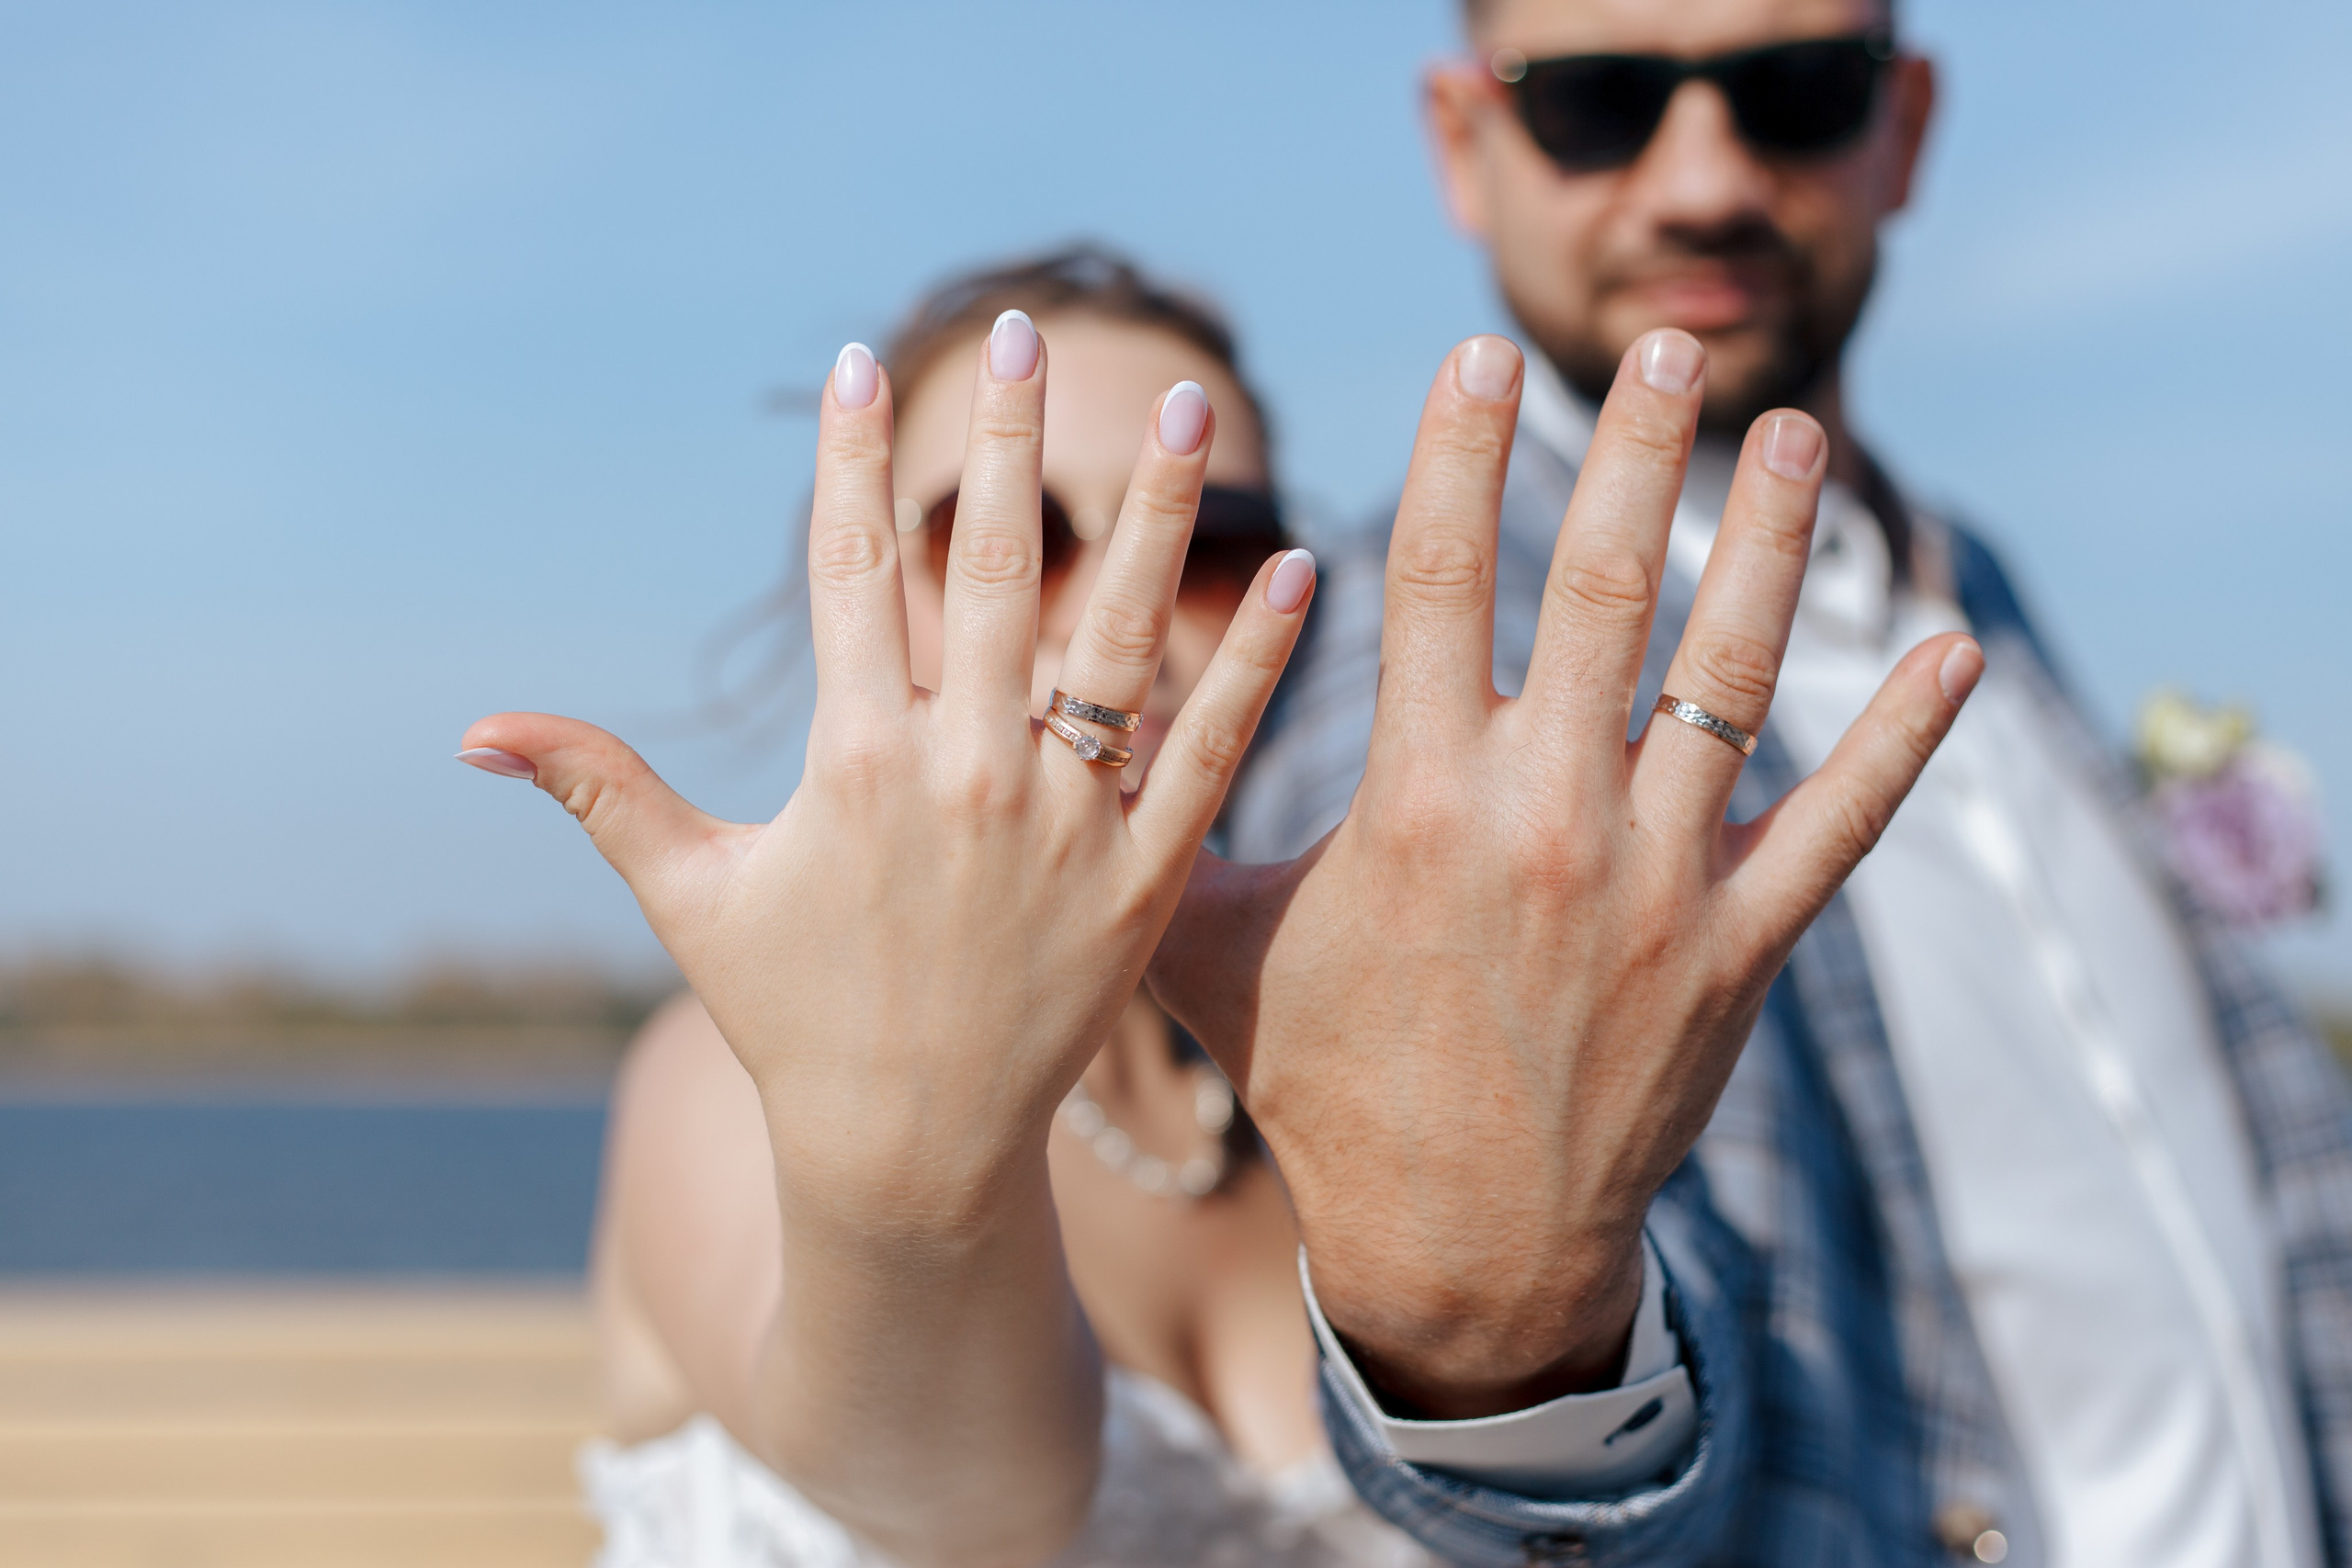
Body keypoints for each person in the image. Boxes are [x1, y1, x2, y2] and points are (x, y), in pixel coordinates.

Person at [1151, 3, 2352, 1565]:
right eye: (1600, 103)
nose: (1702, 179)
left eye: (1795, 91)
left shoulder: (1971, 578)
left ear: (1905, 127)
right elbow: (1519, 1362)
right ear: (1465, 143)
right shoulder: (1423, 674)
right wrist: (1513, 1342)